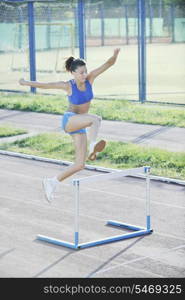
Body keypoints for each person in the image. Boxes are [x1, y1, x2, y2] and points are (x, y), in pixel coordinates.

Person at [19, 48, 120, 202]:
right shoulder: (68, 86)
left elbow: (108, 64)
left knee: (80, 165)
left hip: (80, 125)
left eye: (85, 71)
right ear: (73, 73)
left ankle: (52, 182)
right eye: (81, 73)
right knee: (95, 119)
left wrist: (115, 55)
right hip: (70, 120)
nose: (84, 75)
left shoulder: (90, 79)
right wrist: (26, 82)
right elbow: (45, 85)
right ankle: (93, 145)